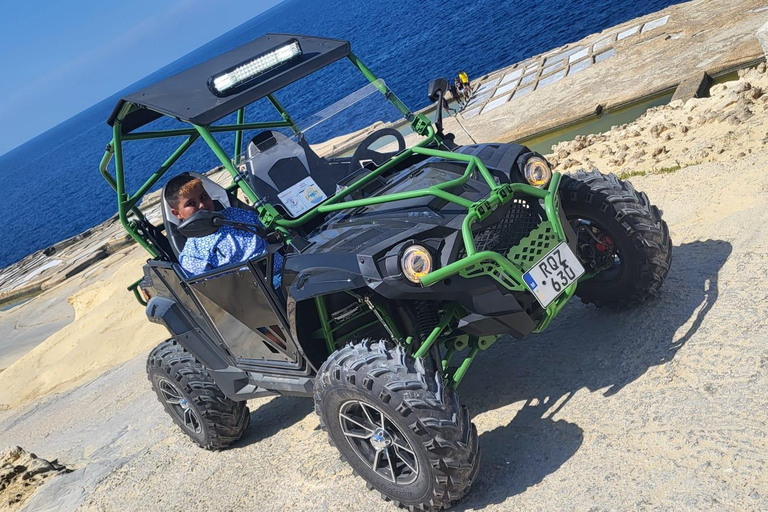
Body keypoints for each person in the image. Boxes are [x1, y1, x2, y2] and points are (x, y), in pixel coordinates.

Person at [164, 174, 283, 288]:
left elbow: (266, 228)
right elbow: (213, 290)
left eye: (203, 197)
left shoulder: (234, 214)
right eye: (191, 203)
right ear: (177, 213)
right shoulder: (193, 254)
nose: (201, 205)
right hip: (261, 291)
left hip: (286, 269)